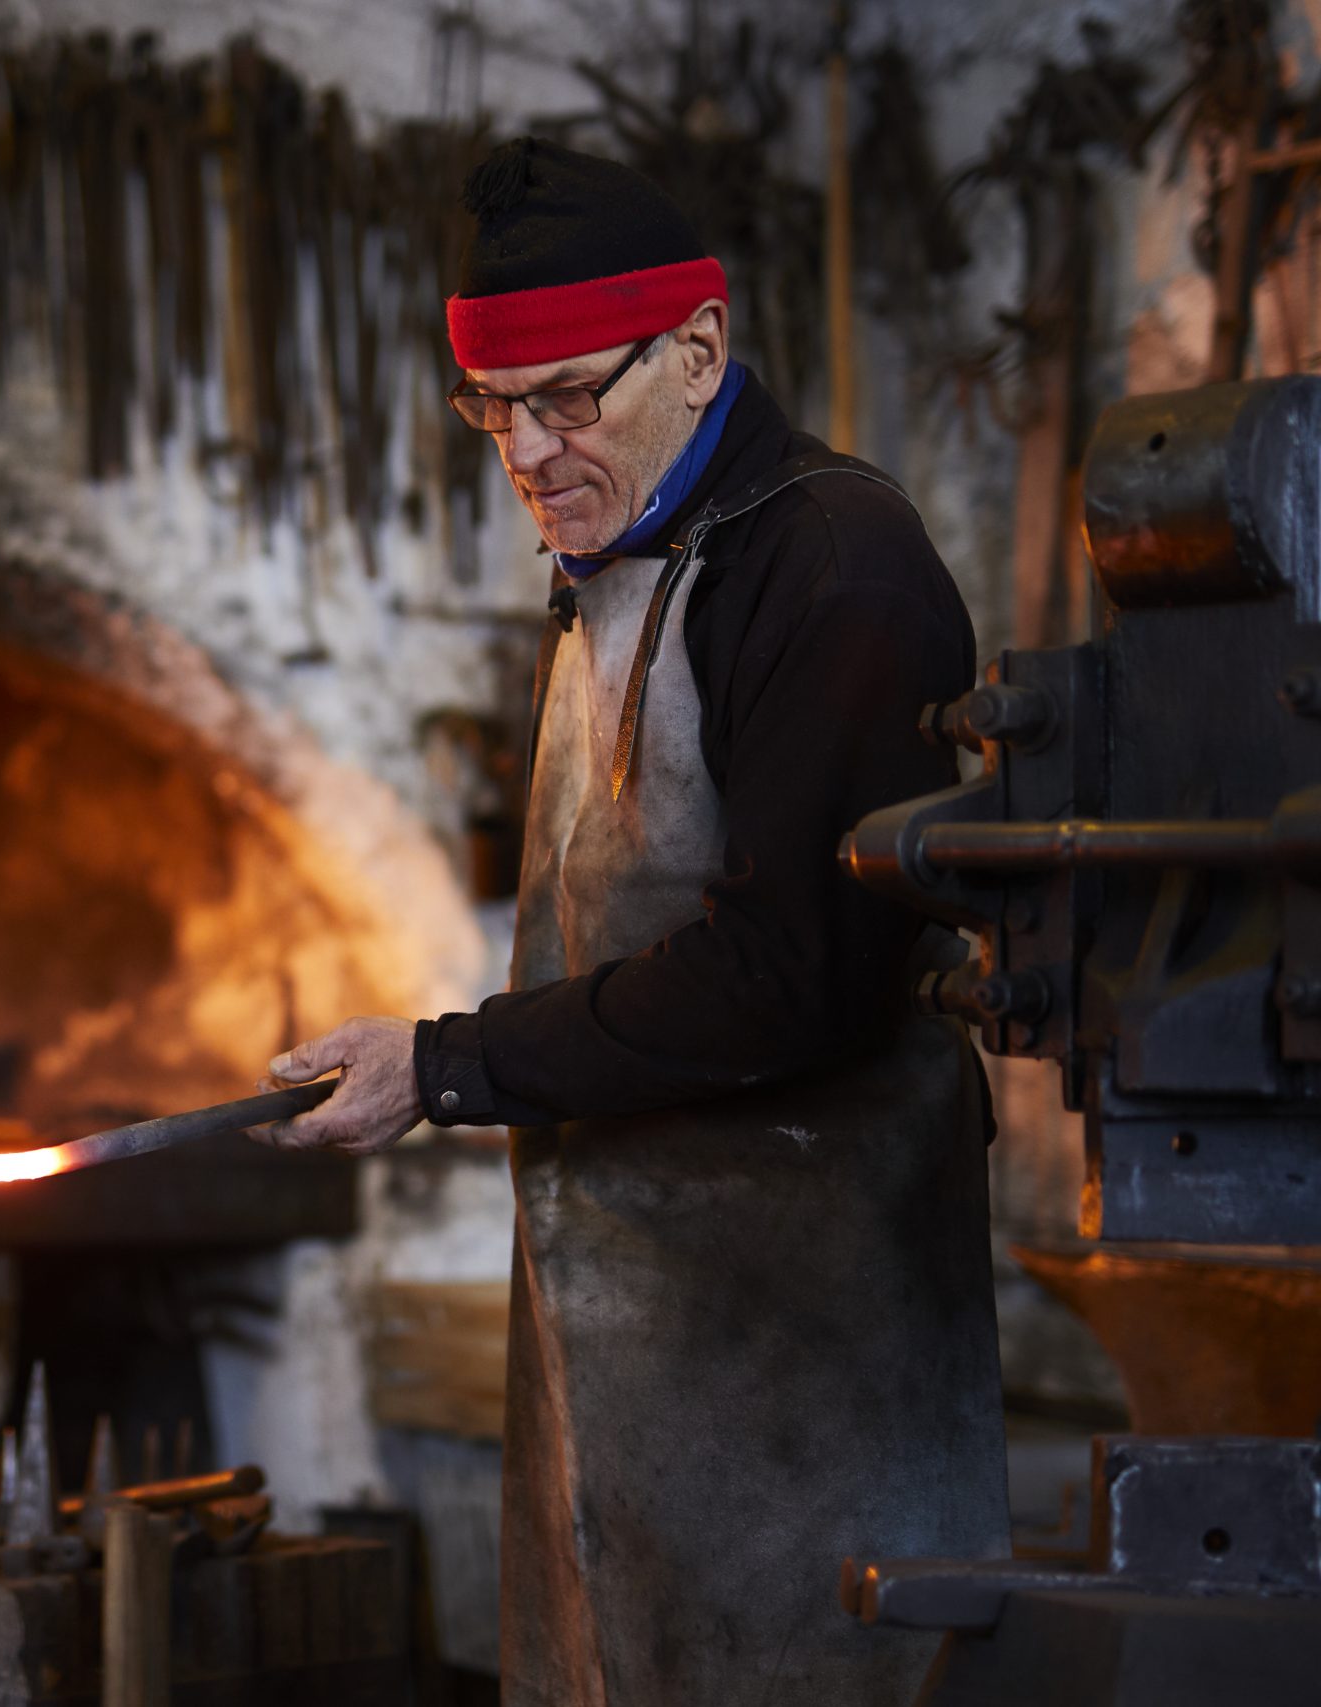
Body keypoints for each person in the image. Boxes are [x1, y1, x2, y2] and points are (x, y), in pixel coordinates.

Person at [262, 138, 1009, 1707]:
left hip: (809, 1346)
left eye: (568, 400)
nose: (527, 452)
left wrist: (447, 1065)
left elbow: (793, 976)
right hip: (634, 1319)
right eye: (492, 408)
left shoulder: (831, 563)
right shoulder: (617, 563)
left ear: (700, 350)